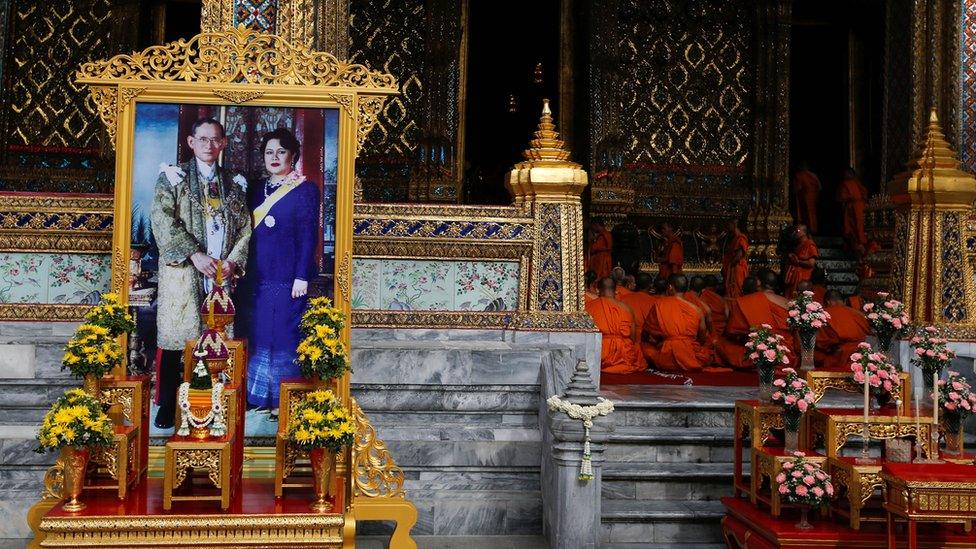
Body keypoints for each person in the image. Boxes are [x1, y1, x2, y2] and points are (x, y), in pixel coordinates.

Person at [150, 117, 252, 429]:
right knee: (176, 338)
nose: (209, 145)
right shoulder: (173, 178)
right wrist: (194, 254)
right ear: (191, 142)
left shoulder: (234, 183)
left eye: (215, 139)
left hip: (220, 273)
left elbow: (245, 227)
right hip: (184, 270)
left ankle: (210, 404)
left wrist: (232, 261)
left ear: (222, 144)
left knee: (216, 339)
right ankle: (168, 405)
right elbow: (162, 220)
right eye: (202, 139)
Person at [245, 128, 321, 418]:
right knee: (261, 333)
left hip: (289, 277)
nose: (274, 157)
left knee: (286, 335)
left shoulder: (305, 190)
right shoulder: (255, 189)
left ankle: (284, 399)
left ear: (293, 155)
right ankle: (259, 395)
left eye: (281, 152)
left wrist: (302, 275)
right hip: (258, 275)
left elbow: (307, 235)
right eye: (269, 152)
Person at [715, 269, 796, 369]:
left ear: (758, 282)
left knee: (720, 343)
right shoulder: (787, 302)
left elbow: (732, 331)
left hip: (760, 354)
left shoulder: (749, 301)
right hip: (786, 356)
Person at [643, 275, 712, 371]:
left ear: (670, 287)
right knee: (708, 350)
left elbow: (646, 332)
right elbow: (702, 338)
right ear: (686, 288)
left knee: (644, 347)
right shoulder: (697, 310)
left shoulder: (660, 304)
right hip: (690, 356)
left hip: (666, 355)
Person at [585, 277, 643, 374]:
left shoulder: (588, 307)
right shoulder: (627, 308)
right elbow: (632, 337)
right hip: (622, 354)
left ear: (597, 290)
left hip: (599, 352)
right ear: (615, 291)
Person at [816, 289, 871, 370]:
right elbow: (867, 331)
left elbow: (822, 342)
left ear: (828, 302)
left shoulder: (826, 314)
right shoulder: (857, 313)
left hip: (839, 356)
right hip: (861, 355)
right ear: (843, 301)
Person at [837, 168, 869, 255]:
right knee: (854, 226)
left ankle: (860, 245)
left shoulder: (853, 183)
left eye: (847, 173)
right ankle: (858, 245)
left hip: (855, 207)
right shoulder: (850, 183)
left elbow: (842, 197)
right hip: (856, 207)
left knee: (857, 226)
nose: (846, 175)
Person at [620, 272, 656, 345]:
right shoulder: (655, 302)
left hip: (628, 338)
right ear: (650, 285)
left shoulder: (623, 299)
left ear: (636, 284)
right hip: (647, 342)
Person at [784, 224, 818, 298]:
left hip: (802, 277)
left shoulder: (809, 244)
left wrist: (797, 261)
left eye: (798, 231)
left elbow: (811, 263)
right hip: (794, 276)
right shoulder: (798, 245)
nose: (795, 233)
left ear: (804, 232)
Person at [722, 218, 749, 298]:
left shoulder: (741, 238)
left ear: (734, 225)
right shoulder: (734, 238)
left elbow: (739, 256)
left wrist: (730, 265)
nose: (728, 227)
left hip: (738, 267)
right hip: (734, 267)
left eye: (729, 225)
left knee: (737, 289)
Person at [793, 161, 821, 233]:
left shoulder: (799, 175)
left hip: (804, 196)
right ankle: (812, 228)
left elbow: (797, 188)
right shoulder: (813, 175)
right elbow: (819, 187)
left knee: (805, 213)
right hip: (812, 197)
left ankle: (807, 229)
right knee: (812, 213)